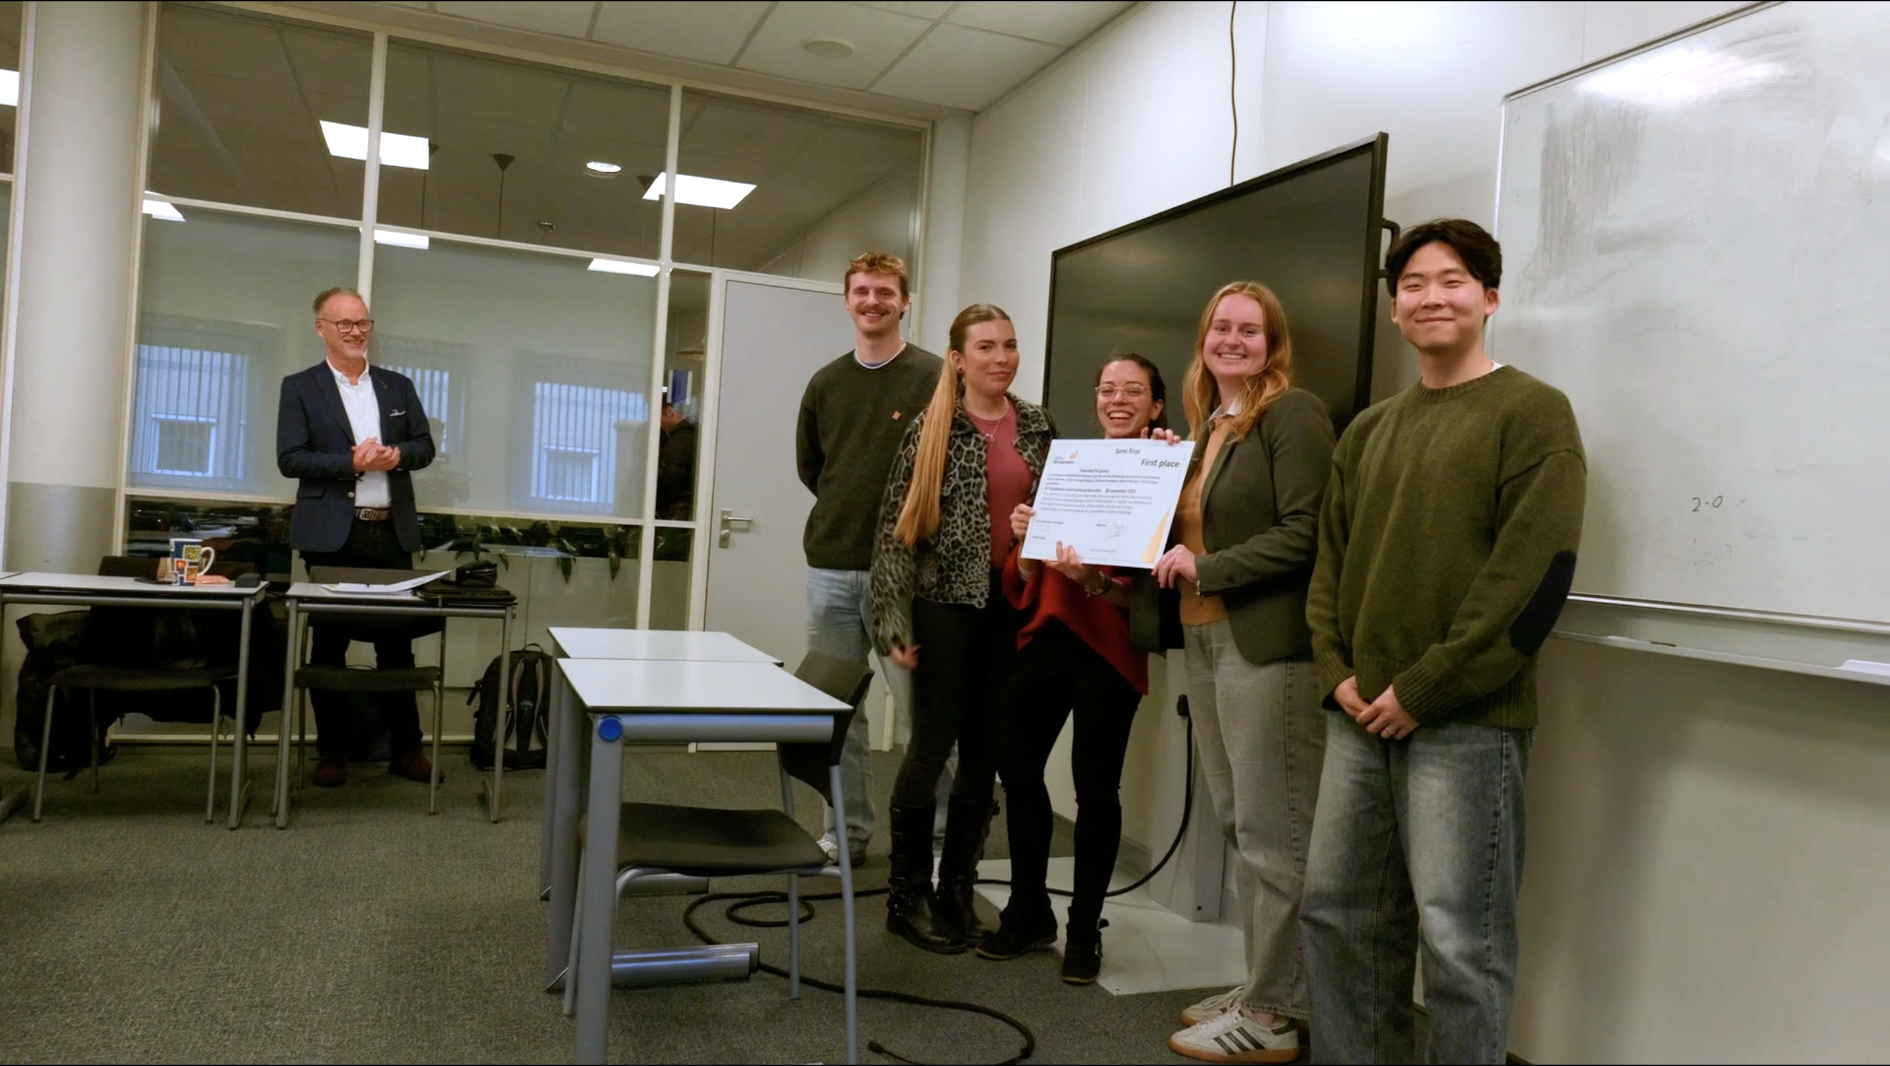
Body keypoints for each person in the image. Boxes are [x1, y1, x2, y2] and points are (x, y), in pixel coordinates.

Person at [1300, 220, 1586, 1065]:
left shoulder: (1533, 414)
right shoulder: (1368, 430)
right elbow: (1330, 565)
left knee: (1461, 947)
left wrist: (1422, 689)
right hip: (1359, 715)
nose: (1432, 297)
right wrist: (1335, 672)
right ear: (1395, 309)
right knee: (1338, 918)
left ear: (1489, 298)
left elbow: (1530, 582)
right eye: (1414, 285)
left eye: (1452, 280)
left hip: (1467, 722)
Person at [1155, 282, 1336, 1064]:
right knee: (1241, 823)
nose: (1232, 340)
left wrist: (1210, 566)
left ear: (1273, 344)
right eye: (1221, 327)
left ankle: (1273, 1012)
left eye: (1249, 330)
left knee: (1275, 833)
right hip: (1204, 638)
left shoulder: (1291, 414)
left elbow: (1306, 530)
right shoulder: (1208, 428)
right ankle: (1267, 983)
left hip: (1267, 646)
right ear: (1203, 338)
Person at [978, 353, 1179, 984]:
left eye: (1133, 391)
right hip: (1046, 636)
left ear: (1156, 406)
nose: (1117, 400)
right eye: (1107, 389)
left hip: (1110, 649)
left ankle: (1085, 926)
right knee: (1017, 769)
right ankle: (1029, 910)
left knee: (1096, 789)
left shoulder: (1167, 471)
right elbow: (1019, 577)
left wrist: (1094, 581)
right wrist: (1026, 546)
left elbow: (1152, 597)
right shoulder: (1068, 466)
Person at [870, 303, 1055, 954]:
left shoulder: (1037, 426)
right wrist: (891, 621)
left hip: (1012, 604)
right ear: (958, 359)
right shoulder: (932, 429)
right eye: (986, 347)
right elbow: (894, 531)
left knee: (985, 752)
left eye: (1009, 345)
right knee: (932, 746)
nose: (1001, 358)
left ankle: (955, 889)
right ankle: (906, 896)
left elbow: (1066, 506)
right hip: (945, 605)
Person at [796, 251, 943, 867]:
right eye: (862, 291)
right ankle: (845, 834)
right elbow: (813, 469)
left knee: (922, 713)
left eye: (885, 292)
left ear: (904, 302)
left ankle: (939, 837)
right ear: (847, 300)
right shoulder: (826, 383)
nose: (873, 302)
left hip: (905, 576)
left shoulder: (936, 377)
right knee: (837, 713)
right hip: (831, 567)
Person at [277, 286, 438, 788]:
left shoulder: (396, 386)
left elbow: (424, 446)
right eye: (344, 323)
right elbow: (291, 459)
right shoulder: (300, 387)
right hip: (333, 535)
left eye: (362, 322)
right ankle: (332, 752)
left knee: (397, 647)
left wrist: (396, 456)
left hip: (390, 531)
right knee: (330, 645)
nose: (355, 331)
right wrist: (350, 462)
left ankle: (406, 750)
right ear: (321, 328)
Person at [655, 399, 698, 520]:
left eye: (660, 417)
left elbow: (672, 476)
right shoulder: (693, 436)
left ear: (669, 412)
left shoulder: (679, 441)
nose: (660, 424)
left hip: (675, 508)